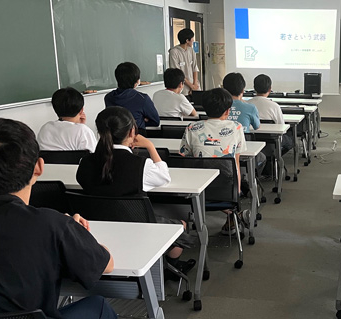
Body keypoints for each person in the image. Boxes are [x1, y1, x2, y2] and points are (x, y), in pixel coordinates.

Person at [0, 118, 116, 319]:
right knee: (99, 306)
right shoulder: (53, 225)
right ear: (39, 167)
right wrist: (75, 231)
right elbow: (106, 264)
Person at [76, 106, 195, 270]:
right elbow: (164, 177)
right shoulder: (140, 165)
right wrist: (150, 146)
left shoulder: (85, 162)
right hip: (137, 229)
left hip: (98, 229)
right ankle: (169, 268)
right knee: (181, 224)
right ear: (132, 132)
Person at [179, 88, 247, 234]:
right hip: (226, 188)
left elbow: (185, 159)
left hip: (198, 188)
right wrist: (237, 192)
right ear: (228, 111)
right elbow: (236, 162)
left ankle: (229, 215)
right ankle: (233, 214)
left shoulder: (191, 128)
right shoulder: (236, 128)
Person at [105, 62, 160, 134]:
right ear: (137, 81)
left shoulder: (108, 97)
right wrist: (141, 121)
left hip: (115, 138)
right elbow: (156, 121)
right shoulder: (142, 98)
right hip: (137, 138)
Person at [37, 87, 97, 152]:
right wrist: (80, 127)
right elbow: (95, 158)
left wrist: (79, 126)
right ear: (81, 110)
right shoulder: (84, 132)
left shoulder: (45, 129)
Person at [247, 74, 293, 154]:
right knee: (290, 141)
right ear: (270, 89)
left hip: (250, 141)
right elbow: (281, 127)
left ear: (254, 88)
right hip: (272, 141)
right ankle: (275, 158)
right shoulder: (274, 106)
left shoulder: (246, 105)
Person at [169, 28, 200, 95]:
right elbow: (177, 73)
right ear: (187, 40)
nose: (193, 40)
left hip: (195, 87)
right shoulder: (174, 52)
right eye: (192, 38)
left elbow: (195, 68)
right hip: (182, 88)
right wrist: (191, 86)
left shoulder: (191, 50)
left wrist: (194, 84)